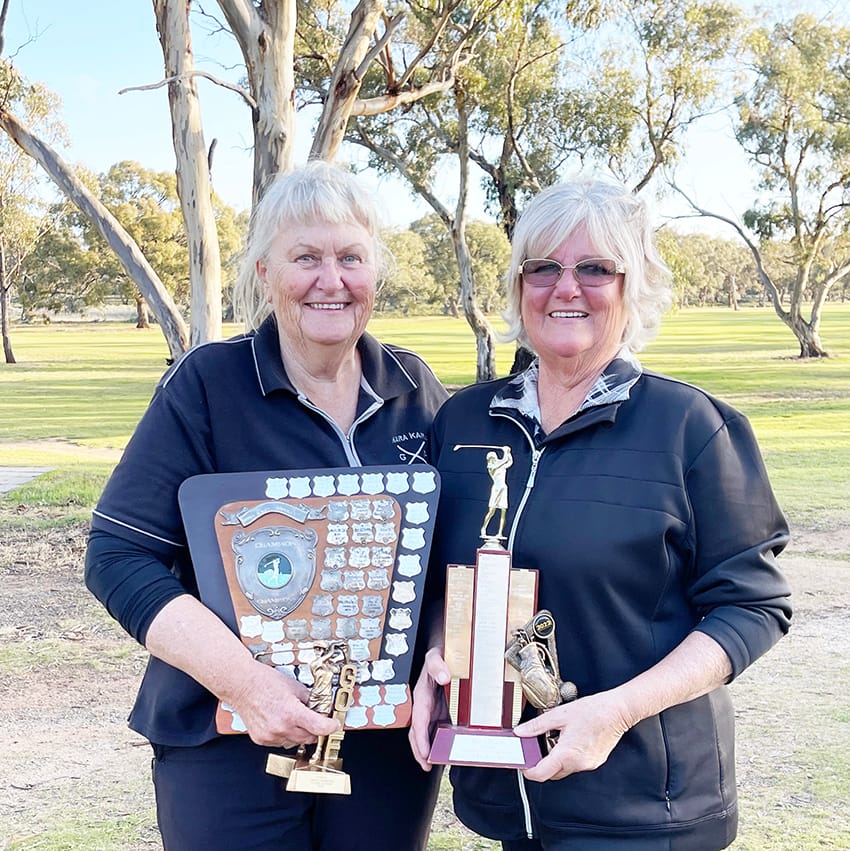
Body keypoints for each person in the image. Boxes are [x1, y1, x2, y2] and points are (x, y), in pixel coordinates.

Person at [410, 176, 792, 850]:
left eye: (594, 268)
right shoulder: (463, 422)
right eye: (544, 268)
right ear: (519, 286)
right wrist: (440, 655)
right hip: (506, 800)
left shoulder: (690, 427)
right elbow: (446, 579)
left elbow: (752, 606)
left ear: (631, 286)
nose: (566, 288)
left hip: (645, 808)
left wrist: (617, 710)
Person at [85, 161, 447, 851]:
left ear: (376, 272)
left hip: (381, 742)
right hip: (227, 735)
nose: (330, 279)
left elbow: (444, 563)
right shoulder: (207, 385)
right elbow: (118, 556)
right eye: (305, 257)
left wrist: (437, 649)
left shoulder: (415, 388)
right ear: (264, 272)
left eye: (351, 257)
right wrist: (247, 685)